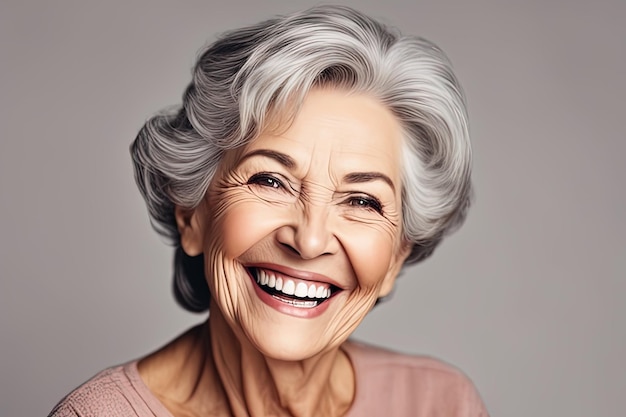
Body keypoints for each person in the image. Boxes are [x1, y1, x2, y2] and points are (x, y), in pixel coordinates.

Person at [49, 5, 488, 416]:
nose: (310, 240)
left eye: (361, 201)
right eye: (270, 181)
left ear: (397, 255)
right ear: (191, 214)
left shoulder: (439, 404)